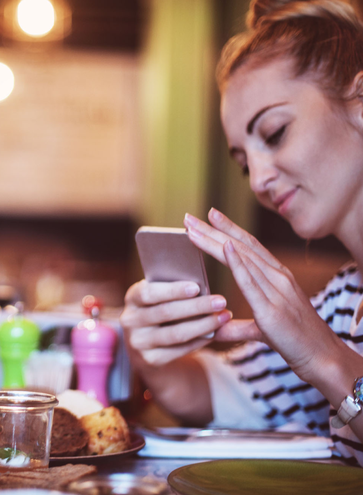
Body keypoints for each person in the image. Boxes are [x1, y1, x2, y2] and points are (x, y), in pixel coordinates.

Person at [121, 0, 363, 466]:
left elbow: (322, 359)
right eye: (242, 163)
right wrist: (149, 352)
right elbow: (214, 391)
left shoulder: (327, 329)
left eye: (274, 133)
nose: (257, 181)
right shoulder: (343, 303)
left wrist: (326, 360)